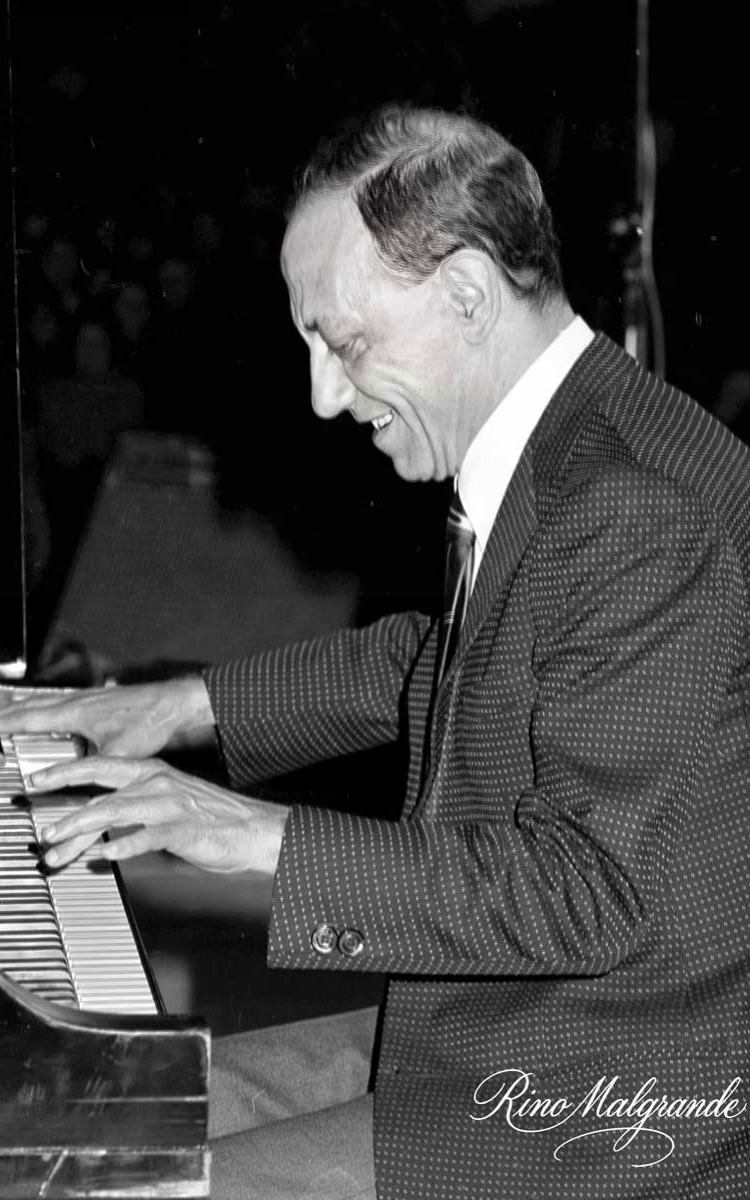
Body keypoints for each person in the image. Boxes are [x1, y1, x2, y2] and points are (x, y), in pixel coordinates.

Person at [2, 104, 749, 1199]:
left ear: (467, 294)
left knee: (112, 1186)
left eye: (345, 343)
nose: (323, 395)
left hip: (611, 1090)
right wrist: (173, 707)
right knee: (65, 1117)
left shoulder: (631, 502)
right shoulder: (575, 441)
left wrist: (253, 834)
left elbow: (586, 889)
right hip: (521, 1022)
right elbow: (445, 662)